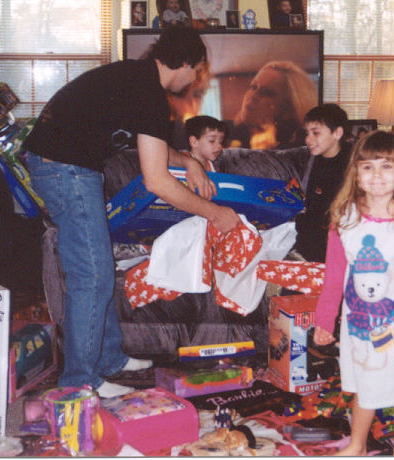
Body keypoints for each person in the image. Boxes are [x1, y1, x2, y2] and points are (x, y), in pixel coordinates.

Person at [21, 27, 239, 398]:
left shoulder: (138, 81)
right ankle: (80, 382)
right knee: (91, 276)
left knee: (99, 267)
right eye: (196, 70)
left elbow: (154, 150)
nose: (194, 79)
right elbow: (157, 181)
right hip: (64, 169)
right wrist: (214, 213)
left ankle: (109, 359)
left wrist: (188, 160)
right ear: (185, 62)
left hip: (61, 165)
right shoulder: (148, 93)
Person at [313, 130, 394, 456]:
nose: (377, 176)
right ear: (356, 173)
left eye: (386, 166)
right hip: (359, 328)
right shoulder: (345, 219)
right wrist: (324, 320)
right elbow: (334, 276)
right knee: (364, 387)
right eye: (368, 167)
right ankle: (357, 444)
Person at [294, 103, 351, 262]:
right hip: (313, 233)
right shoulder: (314, 160)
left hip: (339, 233)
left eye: (316, 133)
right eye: (307, 133)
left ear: (337, 133)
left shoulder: (353, 163)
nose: (308, 139)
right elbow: (311, 205)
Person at [229, 60, 317, 149]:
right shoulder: (226, 133)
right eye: (253, 87)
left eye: (267, 93)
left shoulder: (297, 148)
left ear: (289, 109)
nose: (253, 96)